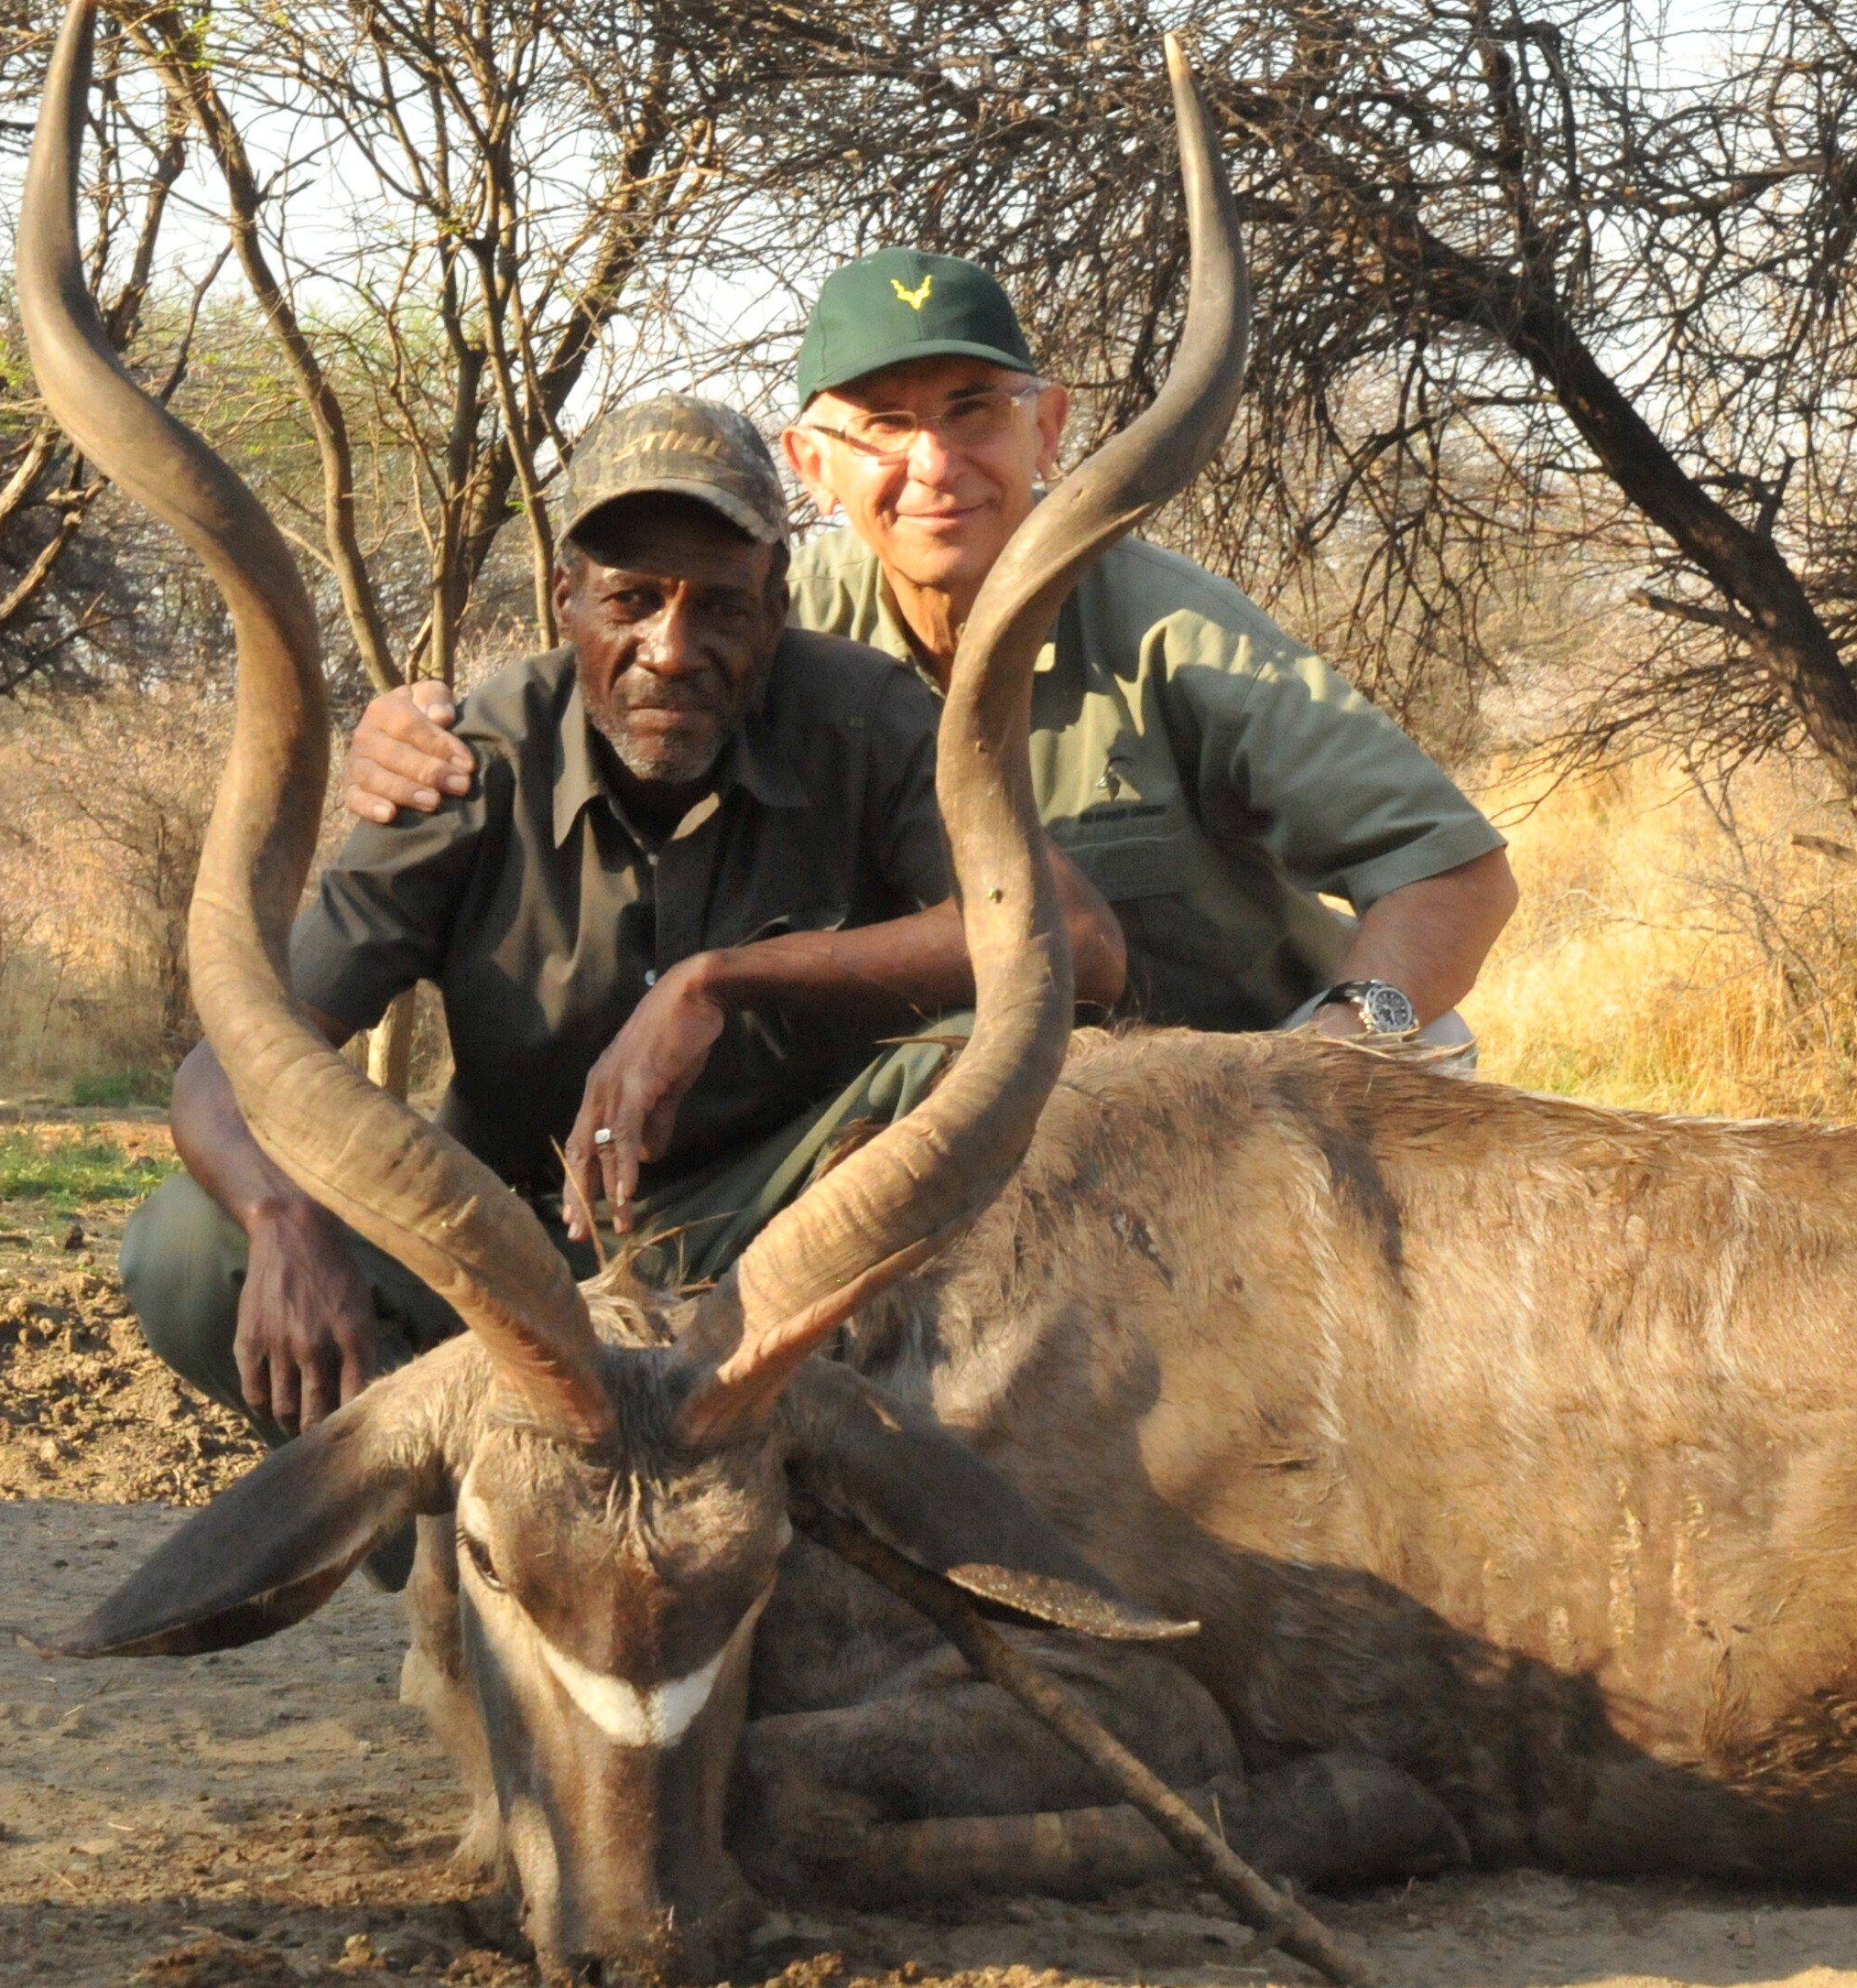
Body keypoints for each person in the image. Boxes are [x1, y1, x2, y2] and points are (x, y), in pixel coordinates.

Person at [116, 393, 1126, 1443]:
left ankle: (862, 1495)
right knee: (193, 1249)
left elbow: (1076, 940)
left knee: (1009, 1059)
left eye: (721, 608)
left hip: (791, 1259)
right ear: (567, 598)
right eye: (633, 599)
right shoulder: (478, 760)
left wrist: (725, 979)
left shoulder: (860, 718)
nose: (673, 648)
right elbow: (230, 1060)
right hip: (522, 1256)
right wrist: (286, 1219)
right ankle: (485, 1530)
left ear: (775, 607)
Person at [344, 248, 1515, 1058]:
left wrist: (1339, 1043)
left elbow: (1450, 871)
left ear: (1046, 426)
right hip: (960, 1124)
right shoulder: (772, 633)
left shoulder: (1169, 627)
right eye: (885, 426)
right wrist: (416, 737)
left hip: (1222, 1107)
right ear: (812, 464)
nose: (936, 464)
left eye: (972, 410)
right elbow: (595, 709)